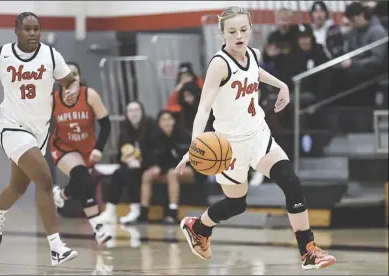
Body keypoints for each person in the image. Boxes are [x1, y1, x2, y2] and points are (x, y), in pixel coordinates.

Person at [176, 6, 336, 270]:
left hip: (258, 135)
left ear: (250, 29)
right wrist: (193, 146)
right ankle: (199, 227)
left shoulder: (253, 53)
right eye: (232, 31)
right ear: (222, 33)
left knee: (291, 181)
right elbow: (203, 108)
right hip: (228, 147)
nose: (238, 35)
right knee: (236, 204)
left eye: (243, 29)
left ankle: (308, 251)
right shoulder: (219, 64)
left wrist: (281, 84)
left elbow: (254, 72)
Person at [0, 12, 78, 265]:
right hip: (11, 126)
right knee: (45, 180)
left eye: (37, 28)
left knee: (18, 187)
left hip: (39, 131)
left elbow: (71, 81)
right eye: (28, 29)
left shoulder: (50, 55)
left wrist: (71, 92)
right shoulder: (1, 54)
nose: (33, 33)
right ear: (16, 30)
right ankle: (56, 247)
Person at [50, 62, 112, 244]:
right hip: (63, 147)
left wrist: (99, 148)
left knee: (82, 181)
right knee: (83, 178)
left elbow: (106, 124)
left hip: (86, 148)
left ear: (79, 77)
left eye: (74, 74)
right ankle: (99, 227)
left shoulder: (89, 95)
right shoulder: (53, 100)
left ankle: (61, 195)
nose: (71, 78)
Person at [100, 101, 156, 225]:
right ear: (127, 114)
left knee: (131, 173)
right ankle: (111, 211)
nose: (134, 113)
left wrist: (140, 162)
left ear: (142, 111)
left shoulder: (150, 126)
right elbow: (120, 152)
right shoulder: (125, 128)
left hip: (149, 164)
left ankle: (135, 210)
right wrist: (128, 160)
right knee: (118, 173)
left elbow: (155, 150)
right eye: (130, 111)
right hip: (130, 165)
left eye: (136, 110)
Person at [139, 110, 195, 224]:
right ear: (158, 123)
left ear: (174, 121)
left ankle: (172, 212)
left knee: (172, 173)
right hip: (169, 169)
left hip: (192, 169)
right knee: (147, 175)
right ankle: (143, 213)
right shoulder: (156, 138)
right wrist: (157, 167)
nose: (167, 122)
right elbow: (155, 158)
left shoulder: (183, 135)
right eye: (163, 120)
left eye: (169, 119)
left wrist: (162, 167)